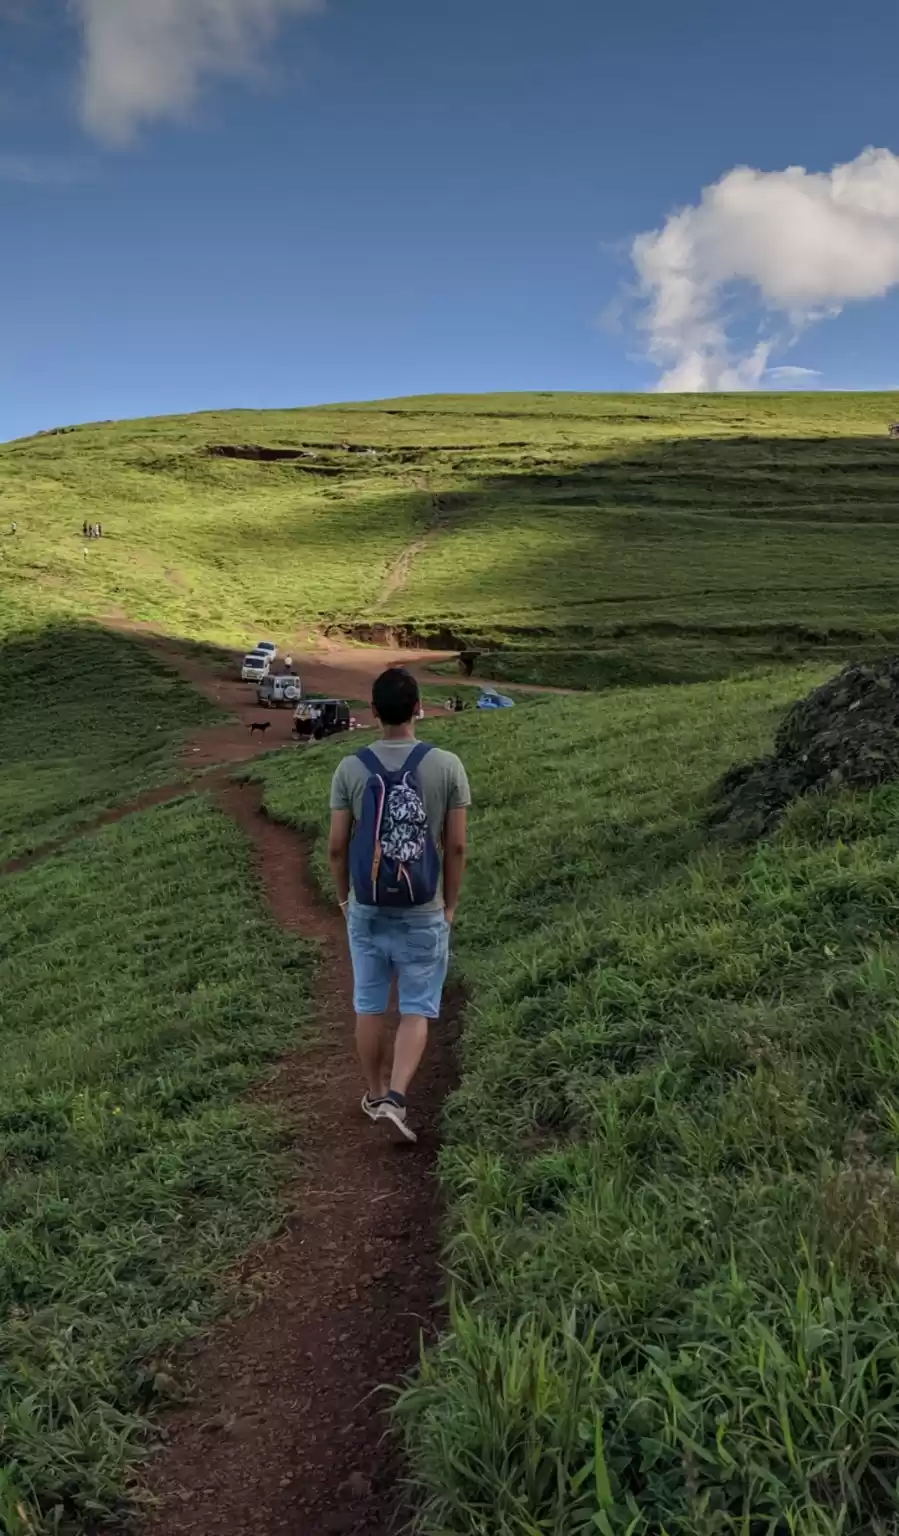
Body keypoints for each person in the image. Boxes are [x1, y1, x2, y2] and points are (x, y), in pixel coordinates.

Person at [328, 667, 470, 1143]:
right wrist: (448, 906)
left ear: (372, 712)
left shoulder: (350, 768)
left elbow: (336, 846)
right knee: (416, 1008)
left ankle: (373, 1093)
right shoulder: (447, 766)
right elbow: (455, 848)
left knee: (368, 1005)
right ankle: (397, 1097)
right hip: (423, 907)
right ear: (418, 707)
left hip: (367, 907)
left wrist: (344, 897)